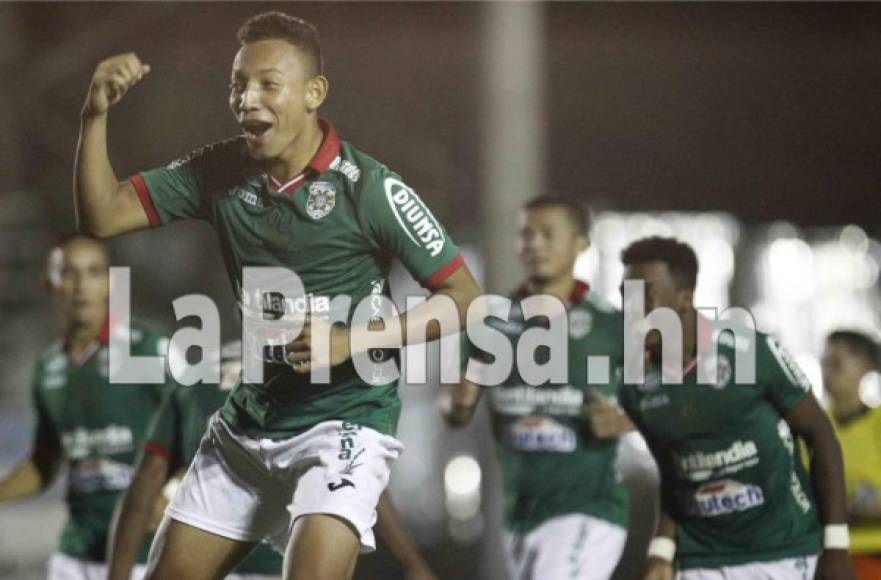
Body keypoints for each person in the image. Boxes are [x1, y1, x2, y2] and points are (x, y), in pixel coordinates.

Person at [74, 11, 481, 580]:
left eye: (269, 83)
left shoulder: (371, 189)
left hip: (345, 422)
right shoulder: (218, 170)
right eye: (238, 84)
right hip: (249, 425)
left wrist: (350, 341)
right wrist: (94, 115)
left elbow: (463, 296)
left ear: (315, 92)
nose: (247, 99)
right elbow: (102, 214)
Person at [617, 236, 855, 580]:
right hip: (700, 559)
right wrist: (661, 551)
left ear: (684, 299)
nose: (633, 307)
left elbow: (819, 435)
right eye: (627, 295)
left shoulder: (749, 352)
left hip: (783, 551)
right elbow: (673, 473)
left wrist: (835, 546)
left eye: (646, 295)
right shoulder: (634, 382)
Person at [108, 341, 438, 580]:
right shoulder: (314, 379)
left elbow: (147, 479)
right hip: (276, 566)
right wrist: (412, 563)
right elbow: (357, 483)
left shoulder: (195, 381)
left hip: (205, 552)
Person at [443, 196, 631, 580]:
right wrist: (458, 404)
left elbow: (669, 408)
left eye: (549, 234)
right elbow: (455, 412)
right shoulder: (492, 322)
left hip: (587, 508)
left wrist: (625, 422)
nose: (535, 245)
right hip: (519, 514)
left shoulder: (612, 327)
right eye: (526, 234)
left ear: (581, 243)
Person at [0, 235, 173, 580]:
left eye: (94, 272)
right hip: (75, 559)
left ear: (109, 282)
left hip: (145, 557)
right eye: (69, 272)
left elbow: (209, 426)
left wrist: (173, 490)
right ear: (50, 284)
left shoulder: (146, 349)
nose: (82, 285)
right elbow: (45, 462)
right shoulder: (49, 368)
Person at [822, 330, 881, 580]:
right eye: (826, 362)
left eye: (839, 363)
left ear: (867, 367)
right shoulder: (812, 429)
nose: (829, 371)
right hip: (833, 558)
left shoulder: (877, 423)